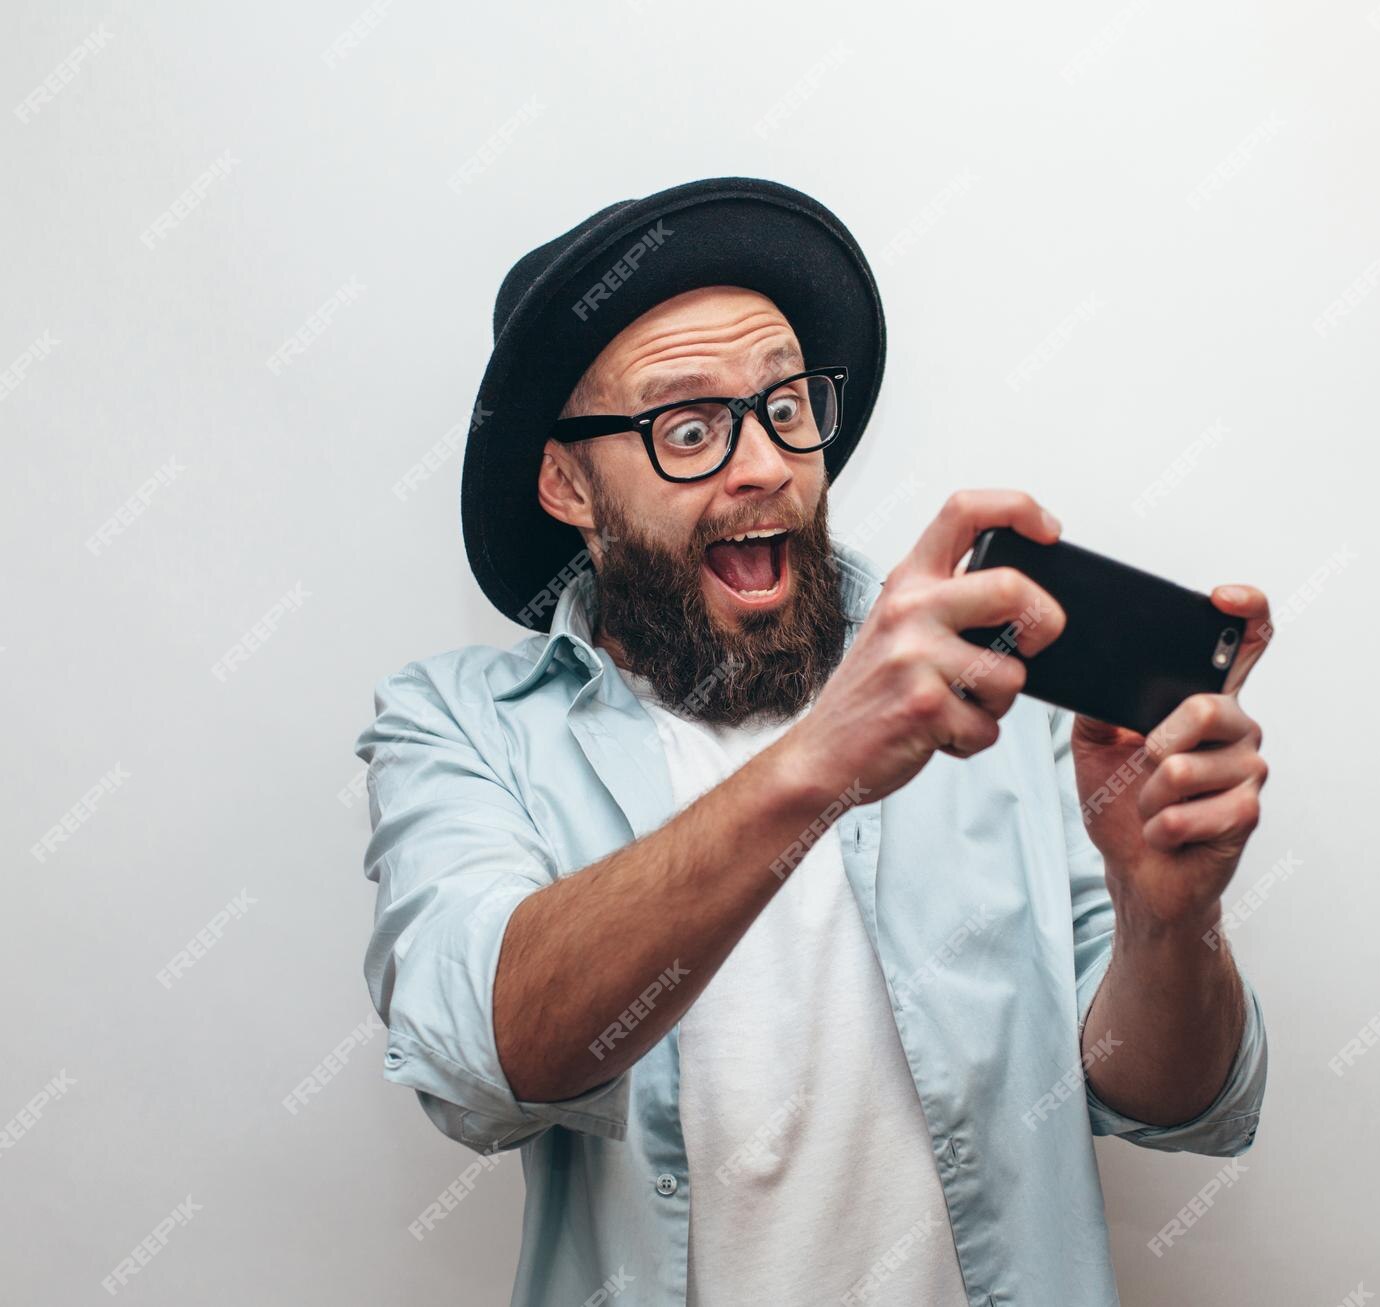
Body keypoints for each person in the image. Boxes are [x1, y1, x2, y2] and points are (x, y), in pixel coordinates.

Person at [356, 176, 1273, 1306]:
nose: (762, 465)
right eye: (686, 426)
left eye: (785, 407)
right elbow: (480, 1064)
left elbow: (1167, 1097)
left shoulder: (997, 685)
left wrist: (1165, 919)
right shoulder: (456, 726)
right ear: (566, 482)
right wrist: (821, 759)